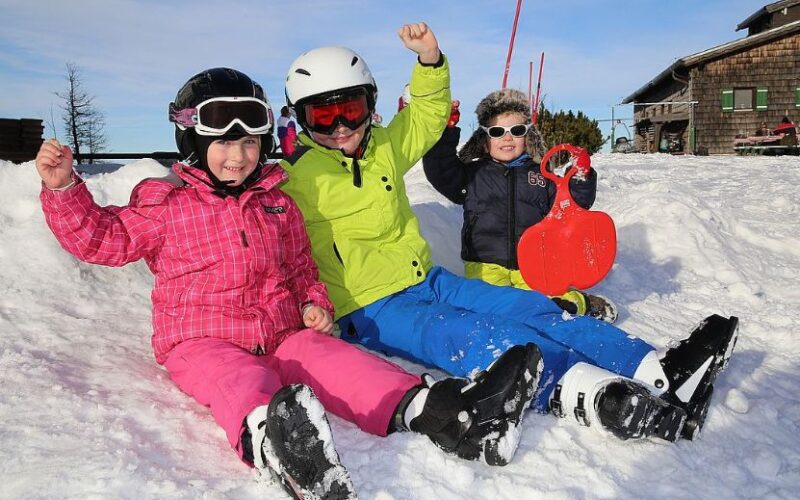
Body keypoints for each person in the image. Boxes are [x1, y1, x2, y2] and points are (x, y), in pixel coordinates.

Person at [35, 67, 545, 499]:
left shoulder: (277, 203)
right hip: (202, 339)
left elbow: (302, 265)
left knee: (343, 362)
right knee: (242, 382)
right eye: (223, 141)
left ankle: (450, 416)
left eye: (250, 141)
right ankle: (280, 443)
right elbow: (104, 239)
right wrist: (65, 192)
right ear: (192, 139)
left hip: (282, 331)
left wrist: (313, 302)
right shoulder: (166, 207)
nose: (238, 154)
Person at [280, 23, 739, 446]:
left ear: (370, 104)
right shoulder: (290, 177)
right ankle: (599, 396)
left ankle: (657, 370)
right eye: (323, 115)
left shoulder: (382, 148)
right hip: (370, 305)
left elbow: (426, 113)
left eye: (351, 109)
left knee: (529, 306)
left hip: (427, 279)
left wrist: (430, 62)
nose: (340, 127)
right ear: (300, 117)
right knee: (470, 335)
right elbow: (250, 221)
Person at [422, 88, 617, 322]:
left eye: (516, 131)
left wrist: (581, 176)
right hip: (486, 264)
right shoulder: (473, 174)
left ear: (528, 136)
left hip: (535, 263)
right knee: (486, 303)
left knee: (547, 295)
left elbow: (571, 206)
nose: (507, 138)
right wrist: (446, 130)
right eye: (497, 131)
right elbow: (441, 170)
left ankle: (575, 304)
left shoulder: (541, 176)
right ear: (484, 140)